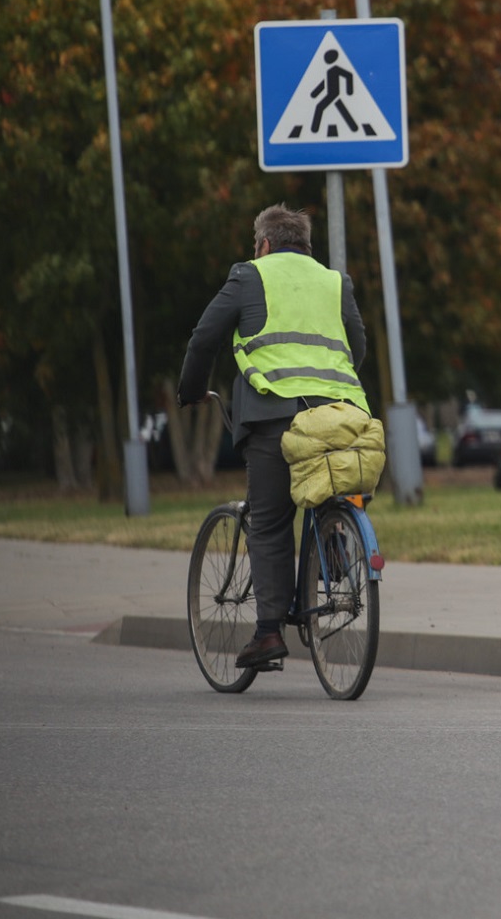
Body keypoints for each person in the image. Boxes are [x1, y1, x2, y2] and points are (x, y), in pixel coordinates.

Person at [176, 204, 368, 672]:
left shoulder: (249, 275)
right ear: (306, 246)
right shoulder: (334, 281)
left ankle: (267, 635)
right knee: (333, 486)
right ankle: (336, 545)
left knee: (268, 520)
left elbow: (204, 339)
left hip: (275, 413)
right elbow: (356, 344)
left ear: (263, 244)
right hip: (341, 412)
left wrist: (191, 390)